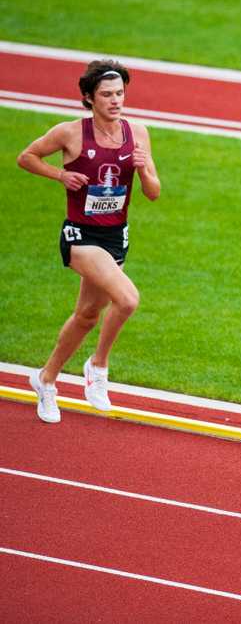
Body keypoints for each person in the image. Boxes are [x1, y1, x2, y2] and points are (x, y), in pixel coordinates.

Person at [17, 60, 161, 424]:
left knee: (86, 316)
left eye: (120, 93)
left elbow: (154, 193)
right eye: (107, 95)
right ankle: (98, 367)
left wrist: (144, 168)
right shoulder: (71, 133)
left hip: (116, 235)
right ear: (88, 98)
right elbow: (27, 157)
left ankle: (45, 379)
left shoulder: (137, 133)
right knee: (127, 299)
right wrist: (60, 174)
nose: (115, 101)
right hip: (81, 235)